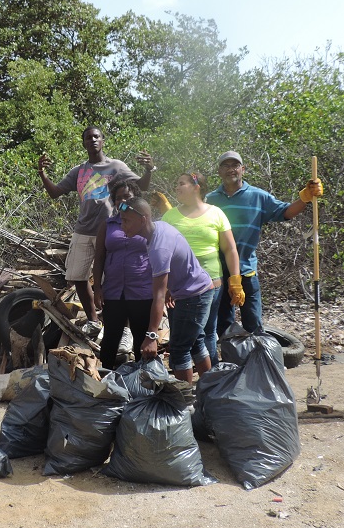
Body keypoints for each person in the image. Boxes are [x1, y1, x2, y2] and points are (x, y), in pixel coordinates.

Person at [37, 126, 154, 332]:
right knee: (77, 276)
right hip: (84, 229)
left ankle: (119, 324)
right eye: (88, 137)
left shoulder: (116, 167)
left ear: (103, 140)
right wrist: (42, 174)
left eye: (96, 136)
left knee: (115, 279)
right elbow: (55, 192)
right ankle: (93, 320)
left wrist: (148, 170)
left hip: (110, 229)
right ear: (84, 143)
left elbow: (141, 187)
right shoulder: (78, 171)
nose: (93, 140)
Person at [206, 150, 323, 336]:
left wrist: (305, 197)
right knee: (222, 326)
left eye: (235, 165)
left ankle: (257, 362)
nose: (231, 170)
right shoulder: (210, 199)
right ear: (219, 171)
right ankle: (230, 363)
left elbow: (286, 212)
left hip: (246, 270)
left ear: (243, 169)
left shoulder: (258, 196)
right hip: (218, 272)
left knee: (253, 324)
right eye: (226, 166)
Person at [119, 197, 215, 383]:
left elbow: (158, 296)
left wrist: (151, 336)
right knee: (195, 344)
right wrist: (172, 287)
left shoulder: (158, 247)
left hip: (194, 296)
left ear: (143, 219)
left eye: (126, 221)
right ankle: (209, 391)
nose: (122, 225)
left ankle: (184, 403)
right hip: (197, 289)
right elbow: (178, 261)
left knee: (179, 351)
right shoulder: (159, 228)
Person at [163, 172, 242, 365]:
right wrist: (164, 285)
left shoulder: (216, 213)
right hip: (179, 287)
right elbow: (162, 252)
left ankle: (210, 379)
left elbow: (230, 248)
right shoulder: (170, 215)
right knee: (180, 332)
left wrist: (235, 279)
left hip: (211, 284)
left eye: (181, 184)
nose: (177, 188)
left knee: (206, 332)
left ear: (196, 187)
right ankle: (186, 377)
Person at [92, 179, 152, 369]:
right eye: (118, 198)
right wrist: (97, 289)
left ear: (136, 198)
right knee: (111, 337)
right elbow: (99, 256)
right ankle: (105, 380)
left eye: (127, 196)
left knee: (140, 337)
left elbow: (159, 254)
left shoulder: (146, 224)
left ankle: (143, 382)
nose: (121, 201)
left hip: (142, 290)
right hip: (114, 290)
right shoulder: (108, 225)